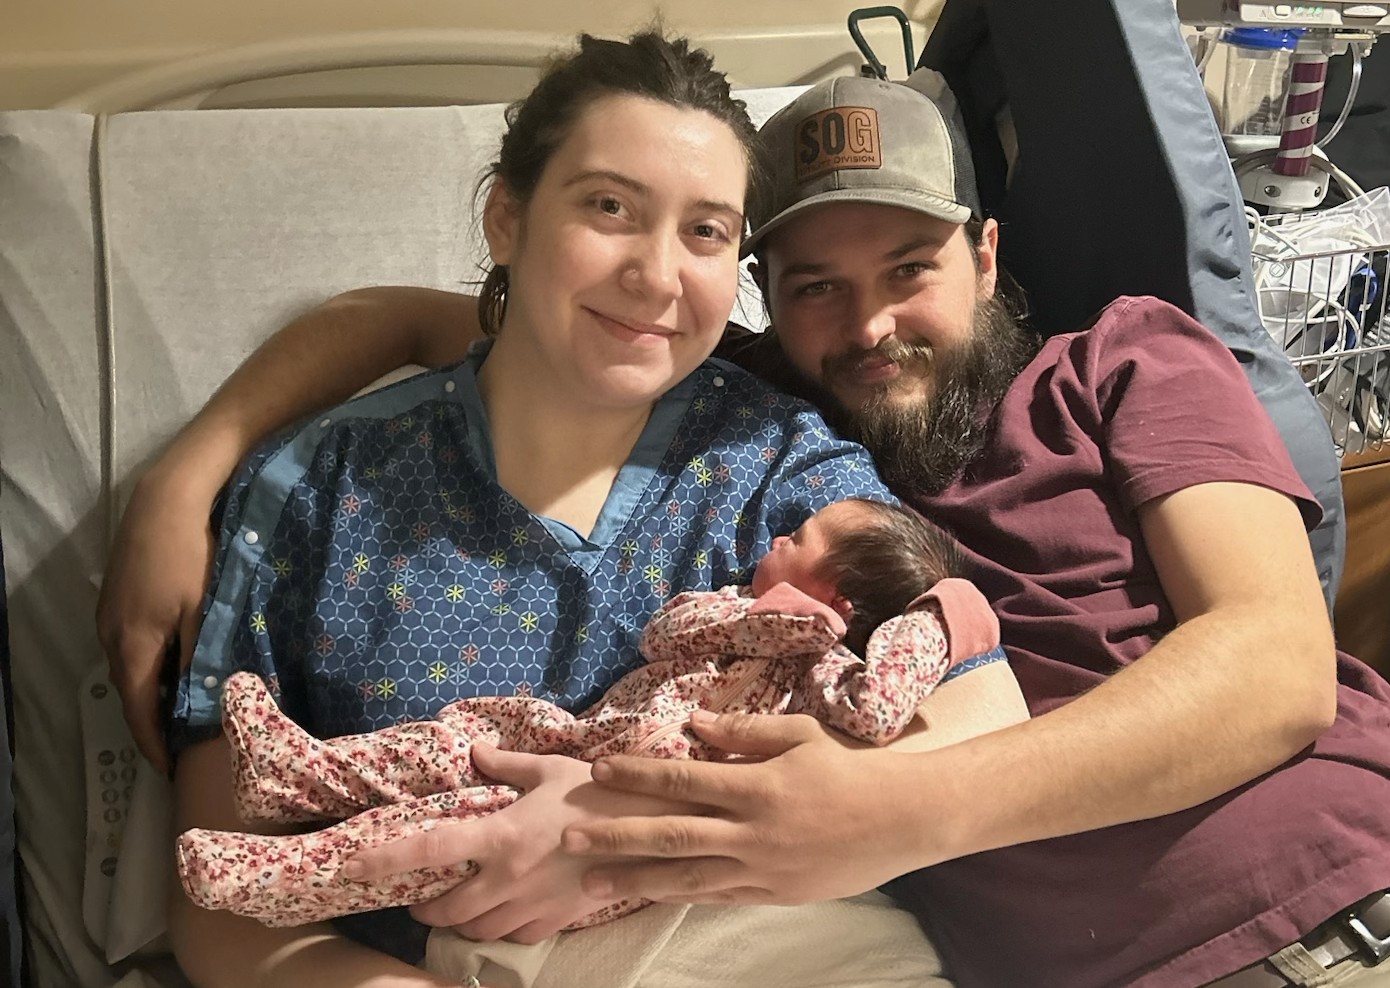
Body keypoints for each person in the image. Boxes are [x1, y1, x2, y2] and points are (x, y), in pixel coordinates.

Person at [95, 71, 1390, 988]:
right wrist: (188, 474)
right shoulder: (752, 412)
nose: (867, 323)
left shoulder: (1119, 364)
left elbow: (1274, 669)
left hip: (1322, 904)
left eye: (909, 269)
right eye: (815, 285)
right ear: (760, 298)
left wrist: (852, 814)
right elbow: (451, 322)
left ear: (986, 257)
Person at [113, 34, 1027, 988]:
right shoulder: (322, 488)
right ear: (506, 217)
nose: (658, 275)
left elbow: (979, 709)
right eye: (609, 207)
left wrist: (623, 828)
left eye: (706, 231)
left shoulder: (776, 458)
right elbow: (222, 910)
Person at [176, 498, 1012, 930]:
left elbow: (878, 711)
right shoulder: (730, 608)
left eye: (800, 538)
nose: (776, 540)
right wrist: (763, 619)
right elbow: (665, 633)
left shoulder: (829, 675)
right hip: (576, 740)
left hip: (638, 831)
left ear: (842, 596)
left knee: (459, 832)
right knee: (461, 736)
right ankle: (300, 775)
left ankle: (277, 880)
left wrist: (940, 615)